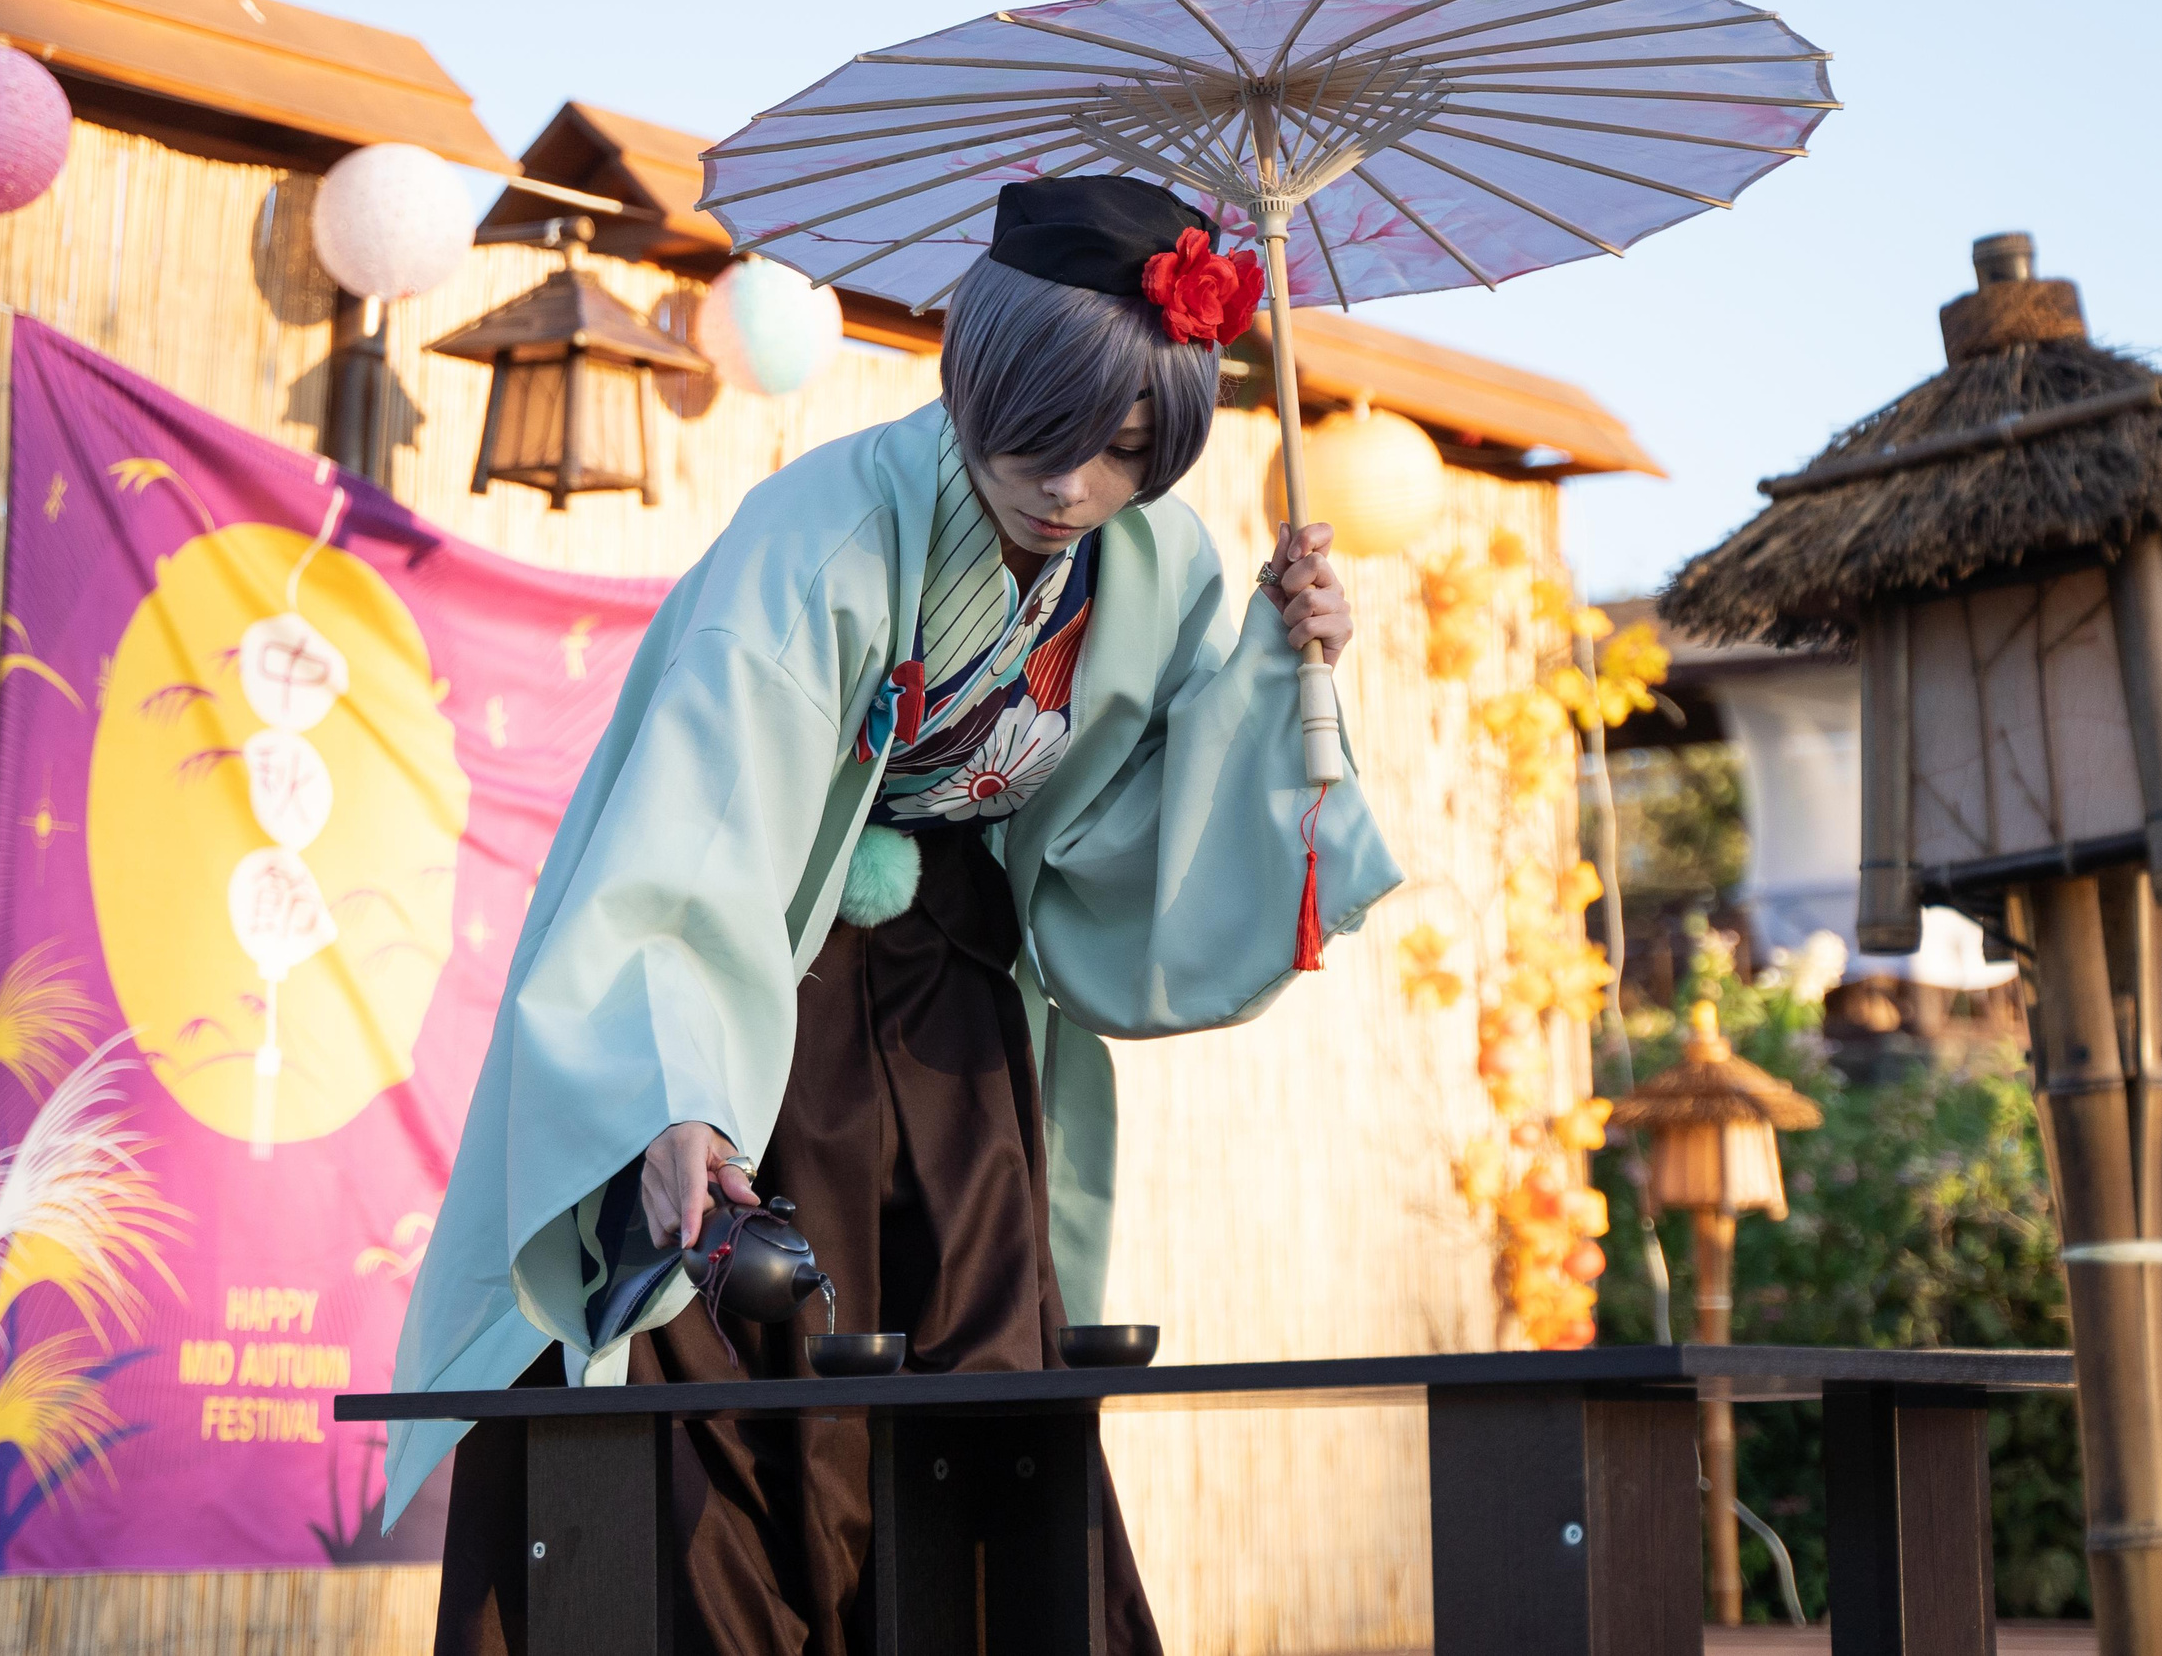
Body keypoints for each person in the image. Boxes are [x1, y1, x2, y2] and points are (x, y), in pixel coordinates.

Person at [391, 176, 1403, 1656]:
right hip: (766, 993)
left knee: (983, 1375)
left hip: (961, 1008)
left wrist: (1279, 663)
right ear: (974, 374)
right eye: (1040, 436)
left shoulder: (1159, 561)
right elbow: (698, 833)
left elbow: (1146, 822)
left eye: (1122, 451)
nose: (1068, 486)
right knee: (729, 1368)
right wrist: (675, 1105)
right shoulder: (821, 537)